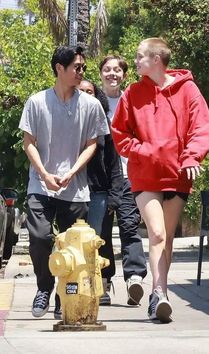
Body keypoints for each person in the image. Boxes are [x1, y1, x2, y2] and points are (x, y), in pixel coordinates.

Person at [111, 38, 209, 322]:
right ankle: (161, 293)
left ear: (156, 59)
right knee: (155, 234)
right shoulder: (132, 93)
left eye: (140, 56)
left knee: (165, 239)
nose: (136, 60)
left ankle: (158, 293)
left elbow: (201, 126)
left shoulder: (188, 89)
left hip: (177, 175)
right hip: (145, 174)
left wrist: (192, 156)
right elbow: (120, 132)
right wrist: (143, 151)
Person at [19, 46, 109, 318]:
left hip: (75, 187)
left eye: (83, 67)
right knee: (39, 238)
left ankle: (63, 295)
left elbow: (92, 144)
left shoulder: (91, 105)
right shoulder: (36, 102)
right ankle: (44, 288)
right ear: (60, 68)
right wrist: (45, 174)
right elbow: (28, 143)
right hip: (40, 184)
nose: (81, 72)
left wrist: (72, 171)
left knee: (72, 246)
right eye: (77, 67)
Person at [99, 55, 147, 306]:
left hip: (129, 175)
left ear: (124, 75)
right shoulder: (94, 101)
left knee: (130, 226)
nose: (112, 74)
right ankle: (104, 281)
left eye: (117, 70)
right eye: (107, 69)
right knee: (102, 231)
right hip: (103, 179)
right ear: (100, 74)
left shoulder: (133, 101)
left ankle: (135, 278)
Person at [78, 80, 124, 304]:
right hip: (72, 191)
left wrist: (114, 196)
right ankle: (77, 284)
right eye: (82, 91)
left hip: (99, 193)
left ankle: (102, 284)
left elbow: (114, 164)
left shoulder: (105, 125)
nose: (86, 95)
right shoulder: (70, 122)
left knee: (98, 241)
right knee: (76, 242)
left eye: (90, 92)